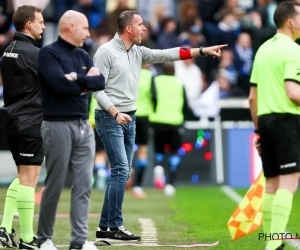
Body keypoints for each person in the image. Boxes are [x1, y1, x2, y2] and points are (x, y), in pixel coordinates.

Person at [93, 10, 227, 242]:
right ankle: (114, 226)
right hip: (110, 117)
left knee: (122, 173)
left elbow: (169, 54)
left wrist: (203, 51)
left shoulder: (138, 52)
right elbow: (97, 89)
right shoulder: (105, 52)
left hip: (130, 117)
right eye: (141, 24)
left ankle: (106, 227)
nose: (145, 28)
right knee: (122, 171)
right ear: (128, 29)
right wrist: (115, 113)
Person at [36, 10, 105, 250]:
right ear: (71, 27)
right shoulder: (48, 53)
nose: (88, 32)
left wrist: (76, 77)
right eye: (85, 28)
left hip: (83, 125)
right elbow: (58, 84)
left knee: (84, 185)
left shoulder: (83, 55)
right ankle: (44, 239)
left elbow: (100, 82)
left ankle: (79, 241)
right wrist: (83, 81)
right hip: (56, 125)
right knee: (54, 184)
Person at [248, 2, 300, 250]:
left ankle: (272, 242)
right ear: (290, 21)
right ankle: (274, 244)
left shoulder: (262, 50)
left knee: (272, 183)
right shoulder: (293, 51)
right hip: (287, 120)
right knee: (289, 183)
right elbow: (293, 92)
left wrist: (259, 130)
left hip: (266, 120)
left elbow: (251, 98)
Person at [0, 5, 45, 249]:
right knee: (30, 180)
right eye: (40, 22)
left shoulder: (7, 51)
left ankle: (5, 228)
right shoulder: (35, 55)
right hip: (31, 121)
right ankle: (28, 239)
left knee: (21, 177)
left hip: (12, 120)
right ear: (29, 25)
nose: (44, 25)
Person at [149, 62, 194, 196]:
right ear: (174, 71)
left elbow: (152, 98)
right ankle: (170, 184)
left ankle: (158, 167)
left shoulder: (156, 81)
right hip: (175, 122)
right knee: (174, 153)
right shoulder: (179, 84)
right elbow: (185, 105)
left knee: (159, 150)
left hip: (157, 121)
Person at [132, 64, 154, 198]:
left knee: (122, 149)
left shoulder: (126, 71)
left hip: (126, 114)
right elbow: (154, 96)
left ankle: (119, 184)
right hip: (144, 116)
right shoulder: (149, 76)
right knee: (142, 150)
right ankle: (138, 187)